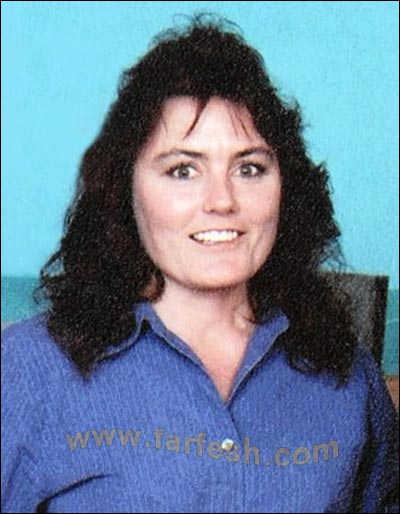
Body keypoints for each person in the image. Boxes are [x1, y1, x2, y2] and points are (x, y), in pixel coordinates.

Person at [1, 14, 398, 514]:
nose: (222, 201)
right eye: (183, 170)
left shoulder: (347, 378)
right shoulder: (28, 370)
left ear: (286, 187)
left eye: (249, 168)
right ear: (125, 190)